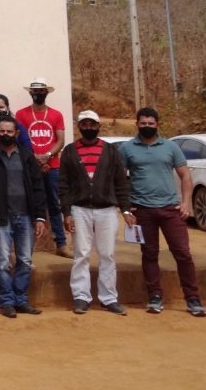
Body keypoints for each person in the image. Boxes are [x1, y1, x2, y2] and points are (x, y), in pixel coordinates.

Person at [118, 107, 206, 317]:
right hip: (142, 210)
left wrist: (186, 203)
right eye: (143, 123)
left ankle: (193, 299)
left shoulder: (171, 147)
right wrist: (126, 207)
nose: (147, 126)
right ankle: (155, 297)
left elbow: (185, 176)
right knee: (149, 255)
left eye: (150, 123)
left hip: (171, 209)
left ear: (157, 124)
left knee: (183, 254)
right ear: (137, 124)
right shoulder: (127, 148)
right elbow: (121, 179)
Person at [59, 110, 131, 315]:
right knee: (81, 254)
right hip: (79, 210)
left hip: (107, 210)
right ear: (79, 127)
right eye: (84, 124)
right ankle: (81, 297)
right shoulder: (70, 151)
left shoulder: (110, 151)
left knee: (107, 254)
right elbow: (63, 185)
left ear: (99, 126)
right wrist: (66, 212)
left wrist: (125, 209)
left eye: (92, 124)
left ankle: (109, 298)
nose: (88, 127)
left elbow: (121, 182)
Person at [0, 116, 48, 318]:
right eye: (2, 131)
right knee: (2, 262)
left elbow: (38, 188)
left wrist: (40, 217)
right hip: (1, 219)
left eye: (9, 131)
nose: (5, 134)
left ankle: (21, 300)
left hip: (26, 217)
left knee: (25, 260)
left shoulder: (27, 156)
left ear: (17, 133)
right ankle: (6, 302)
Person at [15, 78, 69, 257]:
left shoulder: (56, 114)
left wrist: (47, 157)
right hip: (29, 166)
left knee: (54, 203)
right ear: (30, 93)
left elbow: (60, 140)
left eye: (41, 91)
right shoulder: (21, 114)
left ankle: (61, 244)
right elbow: (20, 140)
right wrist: (35, 160)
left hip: (52, 166)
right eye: (35, 91)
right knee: (28, 203)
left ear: (47, 93)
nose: (38, 94)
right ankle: (26, 246)